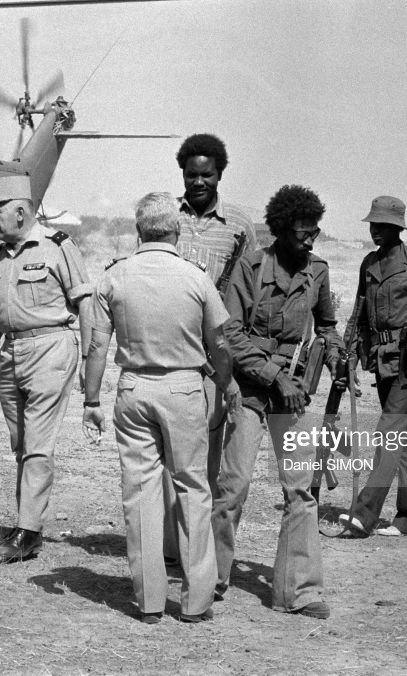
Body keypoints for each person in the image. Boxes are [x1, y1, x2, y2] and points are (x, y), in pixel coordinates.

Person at [82, 192, 240, 624]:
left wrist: (91, 400)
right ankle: (196, 602)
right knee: (192, 489)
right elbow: (220, 343)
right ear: (177, 229)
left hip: (133, 389)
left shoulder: (115, 277)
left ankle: (150, 600)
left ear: (138, 230)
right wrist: (223, 385)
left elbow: (97, 344)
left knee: (140, 492)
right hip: (185, 390)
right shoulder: (196, 277)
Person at [215, 185, 343, 619]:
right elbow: (231, 333)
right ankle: (211, 575)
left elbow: (327, 325)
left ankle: (299, 592)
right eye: (303, 233)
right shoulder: (250, 267)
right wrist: (272, 375)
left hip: (294, 391)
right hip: (250, 387)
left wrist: (336, 352)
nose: (310, 240)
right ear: (281, 230)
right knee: (234, 486)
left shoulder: (318, 271)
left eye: (315, 232)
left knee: (301, 490)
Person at [0, 174, 93, 564]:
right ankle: (26, 523)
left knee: (37, 446)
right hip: (11, 352)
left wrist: (88, 361)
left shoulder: (58, 247)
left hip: (51, 348)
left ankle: (28, 533)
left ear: (20, 211)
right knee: (21, 444)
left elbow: (85, 303)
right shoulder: (1, 255)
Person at [161, 133, 257, 566]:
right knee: (171, 455)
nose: (198, 182)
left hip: (216, 354)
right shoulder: (165, 217)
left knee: (211, 456)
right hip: (169, 351)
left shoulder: (238, 224)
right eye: (191, 174)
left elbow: (248, 288)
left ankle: (202, 550)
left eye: (207, 174)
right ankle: (169, 550)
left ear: (220, 174)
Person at [338, 196, 407, 538]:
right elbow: (359, 317)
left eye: (384, 225)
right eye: (373, 224)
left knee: (388, 431)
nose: (376, 230)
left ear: (398, 228)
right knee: (400, 436)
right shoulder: (369, 264)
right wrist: (353, 357)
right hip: (380, 357)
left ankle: (364, 513)